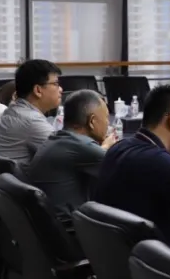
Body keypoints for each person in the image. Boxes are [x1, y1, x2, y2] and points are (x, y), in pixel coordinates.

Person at [93, 85, 170, 240]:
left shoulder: (119, 147)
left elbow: (164, 179)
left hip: (116, 249)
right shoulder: (159, 160)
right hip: (153, 253)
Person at [26, 90, 116, 221]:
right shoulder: (82, 145)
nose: (108, 123)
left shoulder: (59, 138)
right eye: (106, 117)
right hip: (70, 227)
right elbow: (124, 170)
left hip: (47, 222)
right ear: (92, 121)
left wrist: (104, 147)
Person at [0, 59, 63, 165]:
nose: (61, 89)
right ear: (38, 90)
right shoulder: (32, 121)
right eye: (56, 84)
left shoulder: (13, 110)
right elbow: (66, 155)